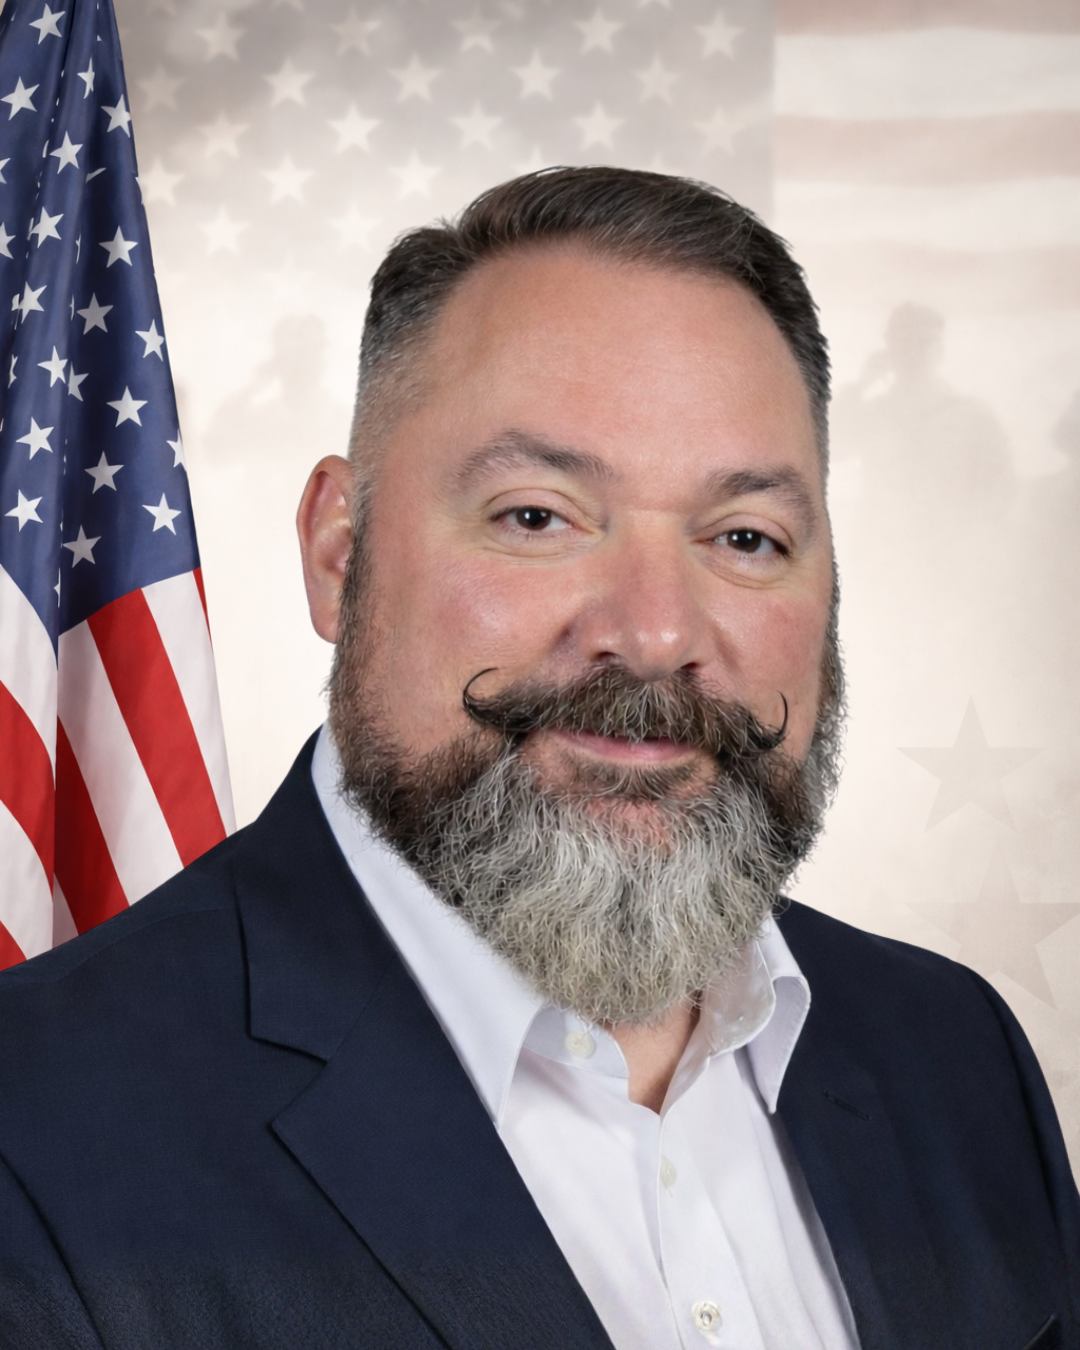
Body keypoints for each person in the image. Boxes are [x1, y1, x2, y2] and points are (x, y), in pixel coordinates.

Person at [0, 167, 1076, 1350]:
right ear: (337, 552)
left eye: (745, 537)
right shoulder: (38, 1133)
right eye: (538, 515)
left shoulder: (957, 1057)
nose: (658, 632)